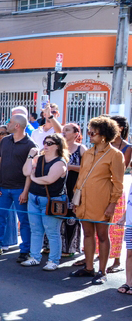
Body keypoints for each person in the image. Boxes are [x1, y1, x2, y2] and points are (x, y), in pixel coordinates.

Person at [71, 116, 125, 284]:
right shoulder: (87, 152)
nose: (89, 134)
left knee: (102, 235)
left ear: (104, 134)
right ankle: (88, 268)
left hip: (102, 201)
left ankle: (102, 271)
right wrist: (75, 198)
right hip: (84, 200)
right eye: (89, 131)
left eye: (92, 132)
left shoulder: (115, 155)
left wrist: (112, 205)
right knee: (87, 233)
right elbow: (81, 177)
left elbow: (118, 183)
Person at [0, 114, 34, 260]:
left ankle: (26, 250)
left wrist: (25, 191)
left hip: (20, 189)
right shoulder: (4, 141)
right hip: (3, 187)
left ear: (17, 126)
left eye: (10, 122)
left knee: (24, 221)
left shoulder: (30, 144)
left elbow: (30, 171)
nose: (7, 124)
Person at [20, 133, 69, 270]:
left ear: (58, 146)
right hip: (34, 197)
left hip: (52, 200)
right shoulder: (39, 159)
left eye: (50, 143)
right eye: (44, 142)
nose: (45, 145)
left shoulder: (60, 162)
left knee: (52, 231)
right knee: (36, 230)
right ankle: (35, 257)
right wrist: (30, 155)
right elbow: (26, 172)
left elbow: (49, 179)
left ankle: (54, 260)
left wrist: (34, 178)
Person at [105, 115, 132, 274]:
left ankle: (116, 260)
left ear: (120, 128)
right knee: (98, 222)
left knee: (116, 225)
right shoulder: (104, 143)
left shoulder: (127, 147)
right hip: (101, 187)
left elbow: (121, 170)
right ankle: (97, 255)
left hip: (116, 188)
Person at [61, 122, 86, 259]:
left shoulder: (81, 148)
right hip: (59, 186)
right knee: (57, 214)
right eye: (63, 130)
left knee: (71, 216)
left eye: (67, 130)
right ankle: (53, 246)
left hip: (74, 186)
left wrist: (70, 167)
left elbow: (87, 168)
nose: (64, 132)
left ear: (76, 133)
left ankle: (70, 247)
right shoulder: (59, 147)